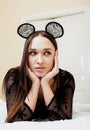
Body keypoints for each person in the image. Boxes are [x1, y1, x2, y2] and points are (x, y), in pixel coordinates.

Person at [2, 21, 75, 123]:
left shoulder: (66, 78)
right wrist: (35, 83)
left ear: (55, 55)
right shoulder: (14, 76)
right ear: (26, 56)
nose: (40, 61)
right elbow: (15, 119)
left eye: (47, 53)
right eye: (33, 53)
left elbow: (63, 118)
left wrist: (45, 83)